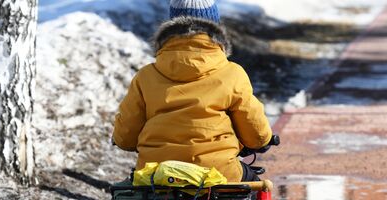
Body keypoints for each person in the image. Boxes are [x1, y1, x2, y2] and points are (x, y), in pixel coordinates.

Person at [112, 0, 272, 182]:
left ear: (171, 26)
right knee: (254, 186)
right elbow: (254, 131)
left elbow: (125, 138)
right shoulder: (232, 73)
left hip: (158, 174)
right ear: (216, 29)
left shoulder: (146, 76)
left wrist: (122, 139)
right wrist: (263, 141)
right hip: (219, 173)